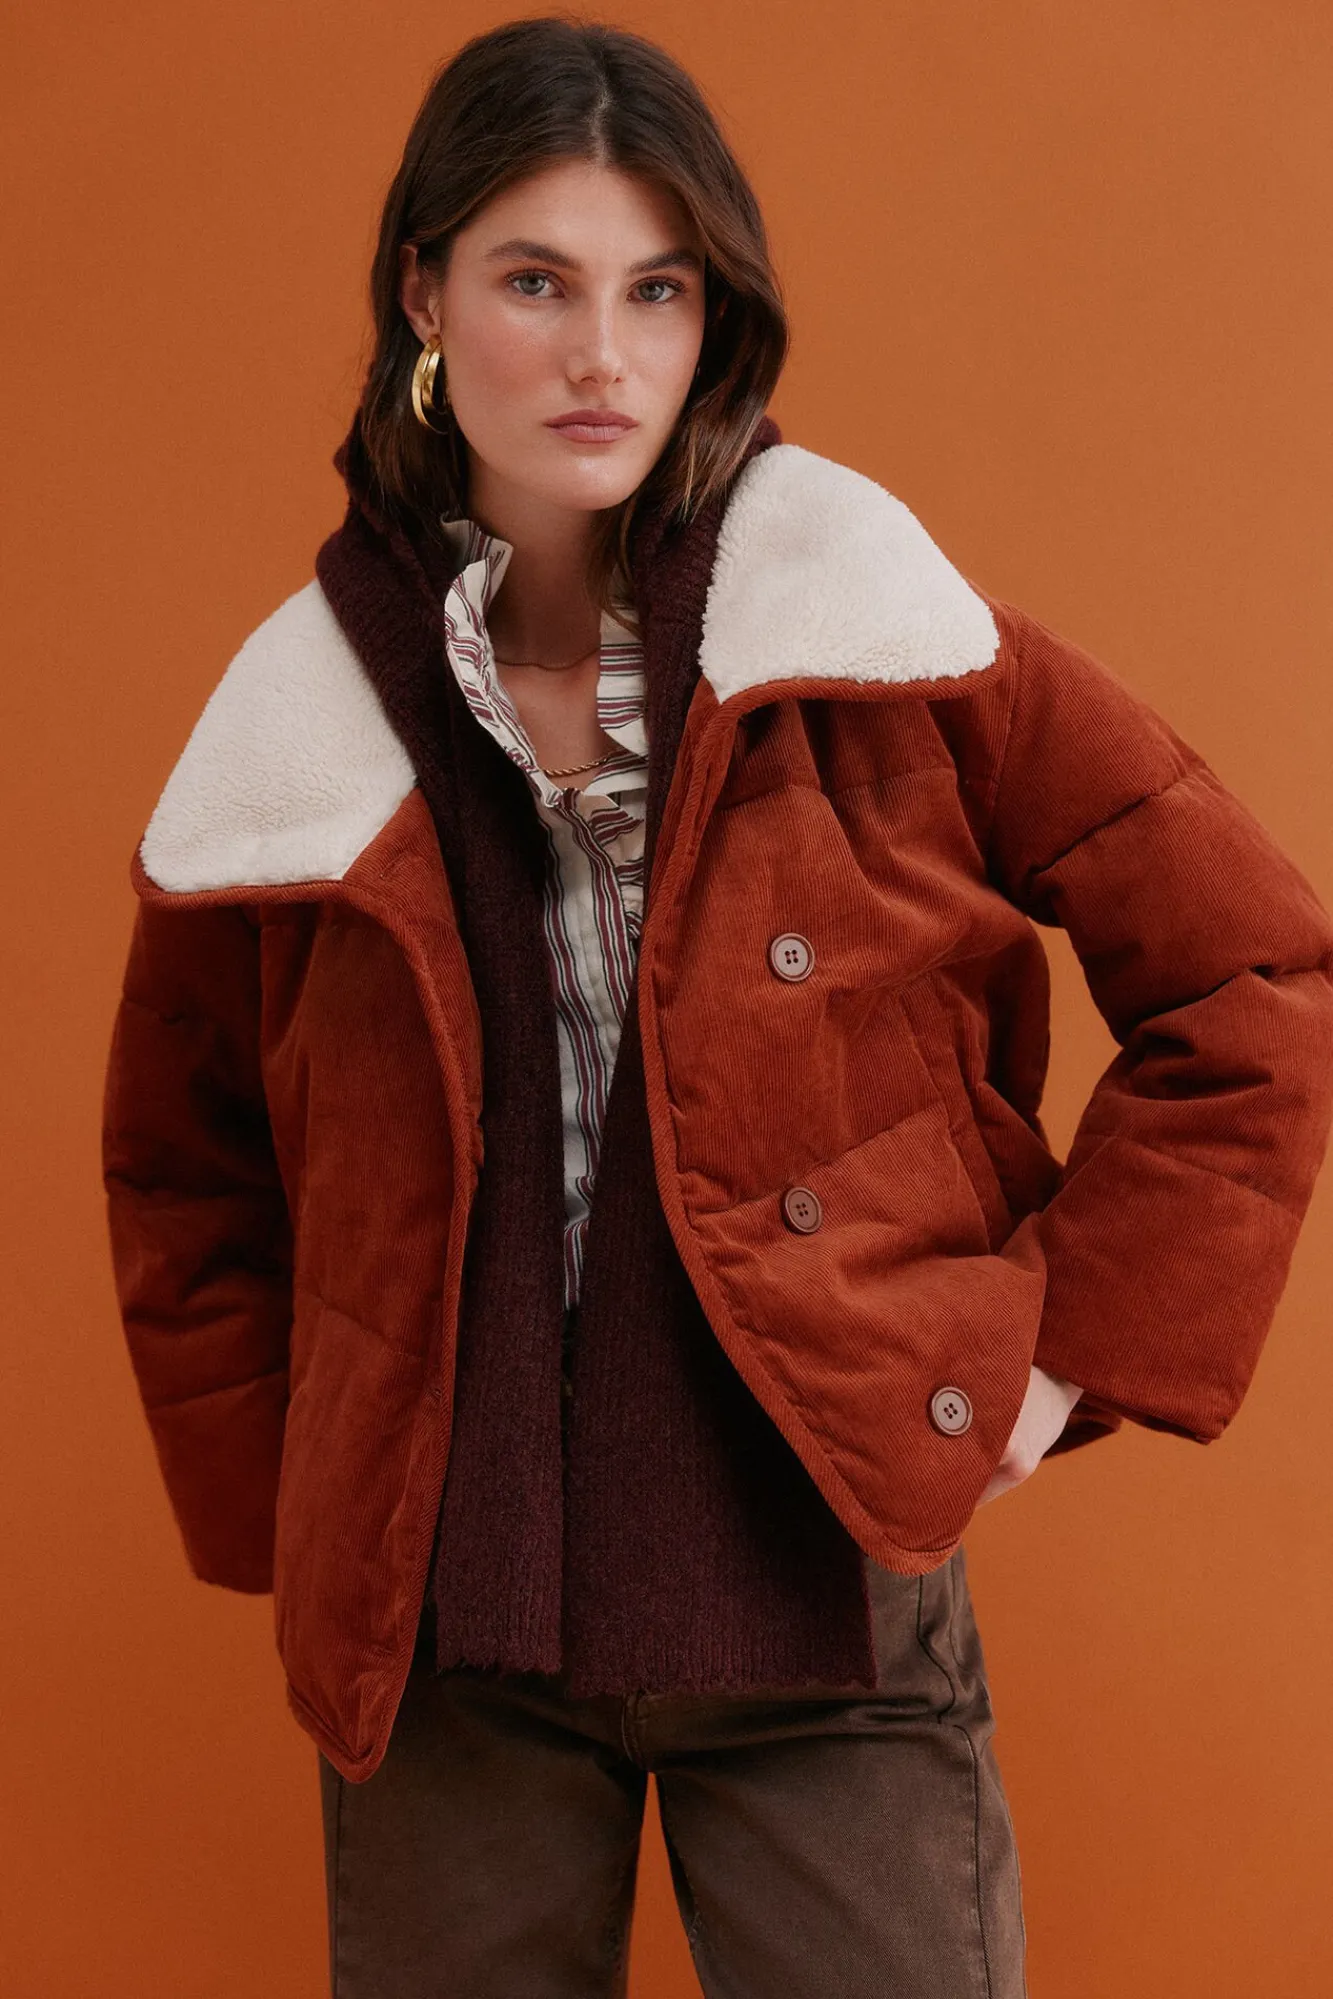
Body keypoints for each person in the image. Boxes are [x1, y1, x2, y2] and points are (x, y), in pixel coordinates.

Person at [100, 17, 1333, 1999]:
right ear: (422, 295)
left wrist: (1061, 1356)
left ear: (712, 318)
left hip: (826, 1596)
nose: (602, 355)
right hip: (451, 1649)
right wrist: (311, 1503)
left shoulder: (876, 641)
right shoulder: (301, 723)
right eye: (536, 282)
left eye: (657, 290)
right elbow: (181, 1168)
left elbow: (1253, 972)